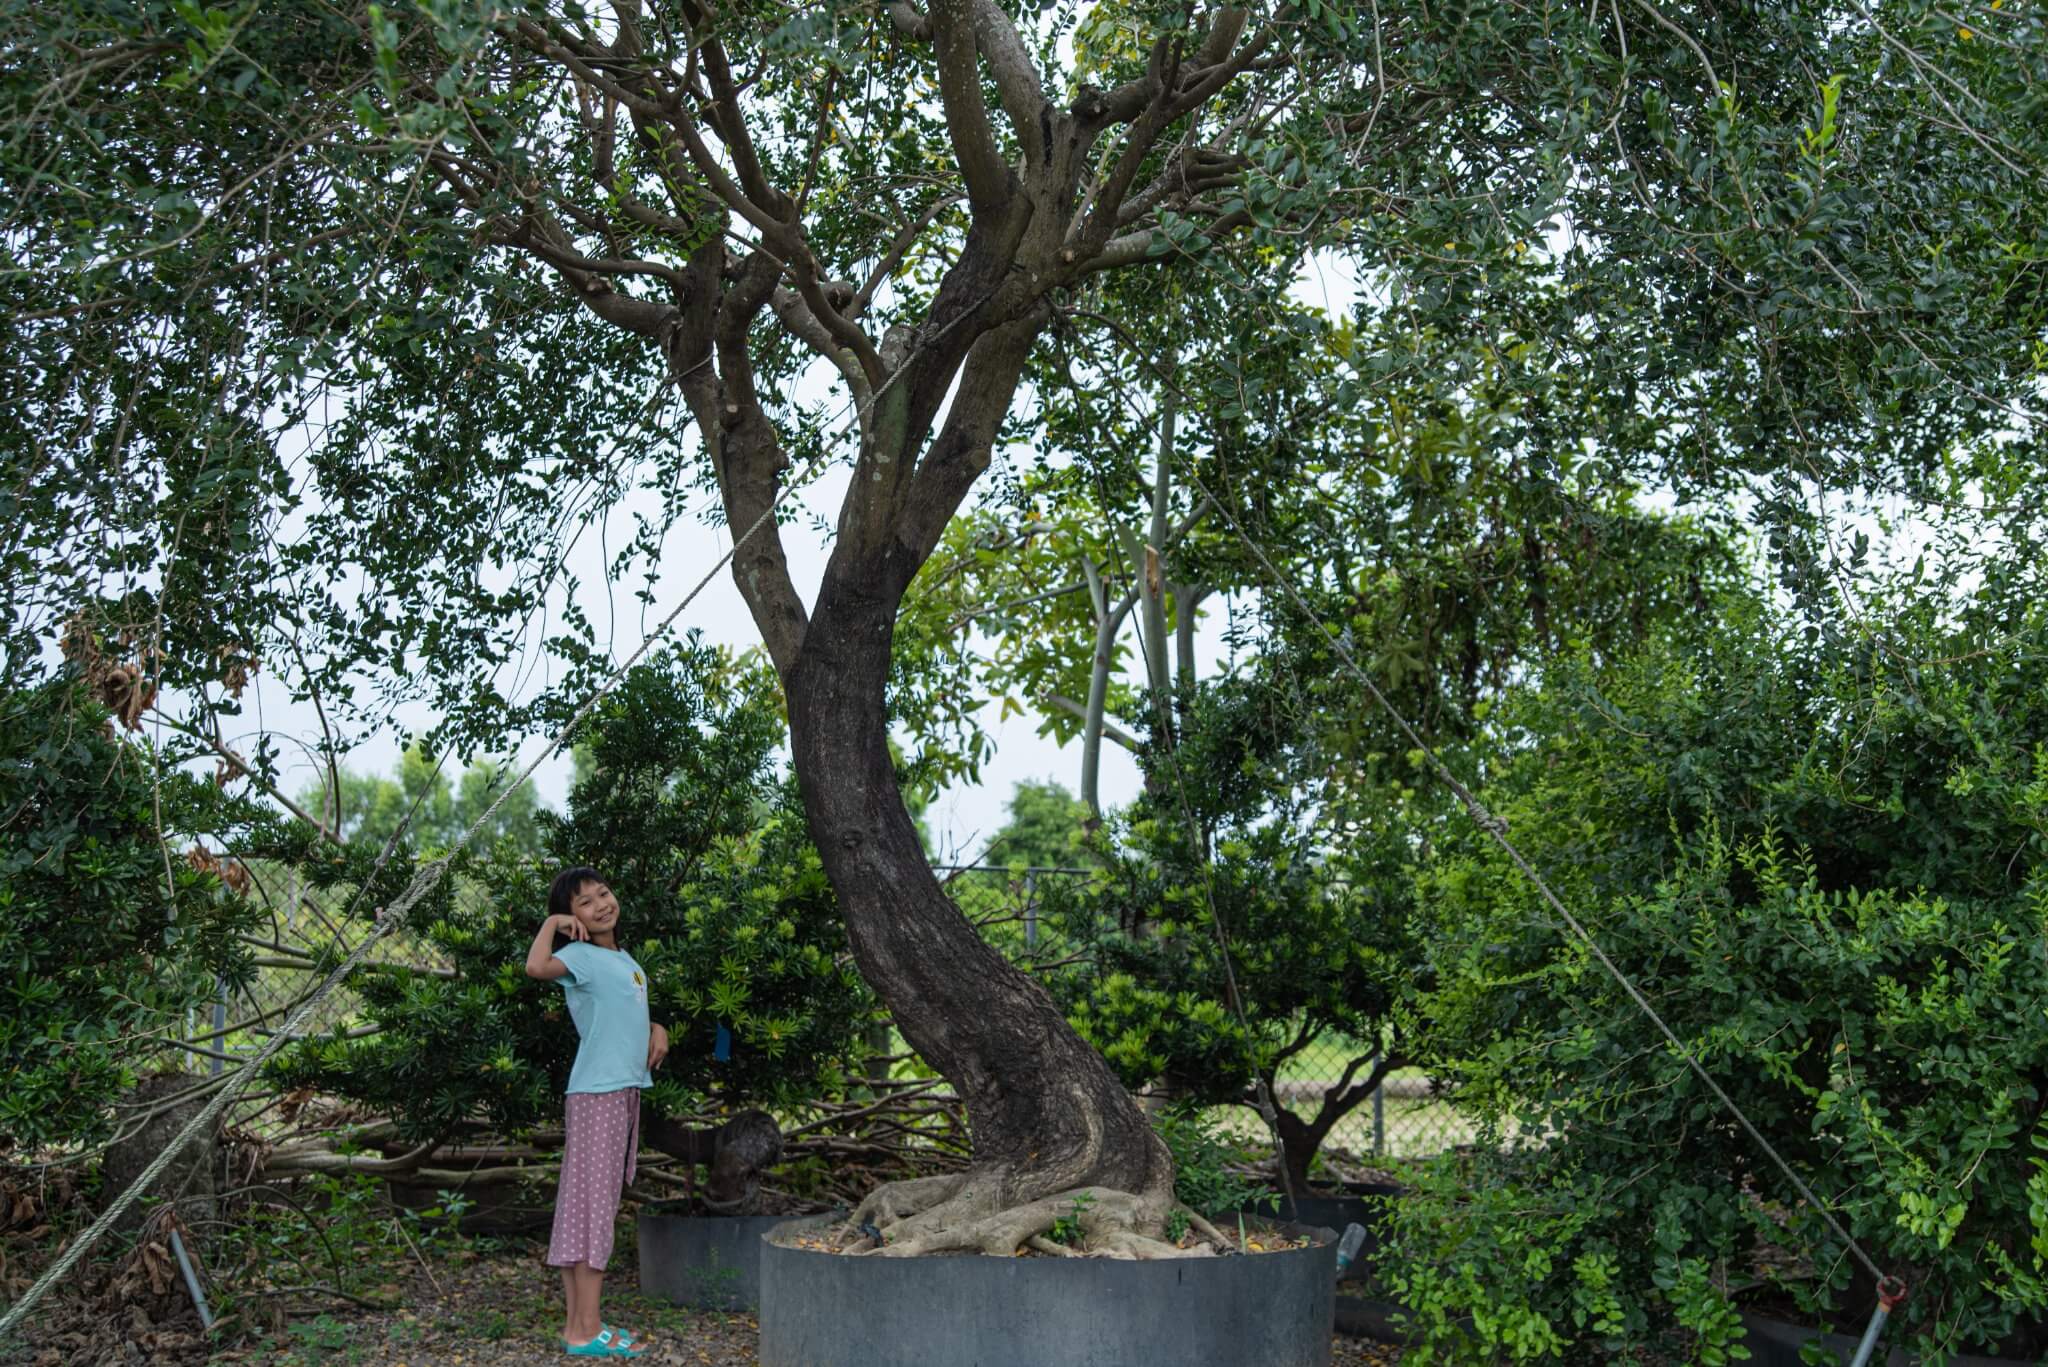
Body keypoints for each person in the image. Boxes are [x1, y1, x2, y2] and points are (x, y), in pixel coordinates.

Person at [525, 866, 670, 1358]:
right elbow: (536, 968)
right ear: (573, 916)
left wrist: (657, 1027)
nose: (601, 904)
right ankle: (585, 1331)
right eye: (585, 902)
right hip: (599, 1096)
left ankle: (579, 1328)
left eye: (603, 893)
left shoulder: (623, 958)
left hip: (618, 1092)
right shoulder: (579, 955)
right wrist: (552, 926)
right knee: (591, 1212)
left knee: (587, 1208)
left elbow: (621, 1009)